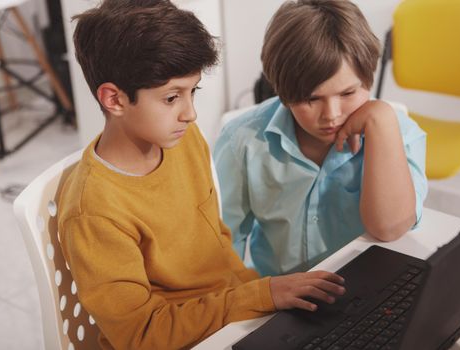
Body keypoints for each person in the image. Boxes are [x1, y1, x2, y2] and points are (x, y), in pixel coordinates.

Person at [57, 1, 346, 349]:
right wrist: (258, 297)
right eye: (171, 98)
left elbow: (217, 246)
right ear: (114, 100)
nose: (190, 114)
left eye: (193, 91)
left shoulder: (182, 141)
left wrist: (265, 298)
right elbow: (140, 335)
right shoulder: (94, 210)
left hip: (229, 319)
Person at [214, 0, 428, 277]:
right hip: (278, 297)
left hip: (365, 291)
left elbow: (389, 228)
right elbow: (221, 246)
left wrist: (381, 119)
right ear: (282, 90)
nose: (331, 115)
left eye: (348, 93)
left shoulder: (398, 131)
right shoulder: (242, 140)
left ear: (368, 79)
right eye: (311, 98)